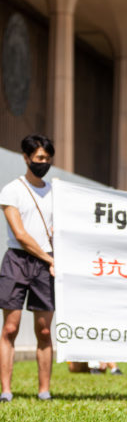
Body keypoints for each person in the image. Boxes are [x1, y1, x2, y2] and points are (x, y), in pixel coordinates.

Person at [0, 135, 55, 403]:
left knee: (44, 330)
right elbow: (20, 234)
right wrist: (49, 258)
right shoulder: (12, 190)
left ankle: (44, 390)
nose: (43, 162)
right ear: (26, 157)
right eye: (39, 158)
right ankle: (6, 391)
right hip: (18, 262)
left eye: (47, 158)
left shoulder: (57, 192)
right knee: (10, 328)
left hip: (47, 266)